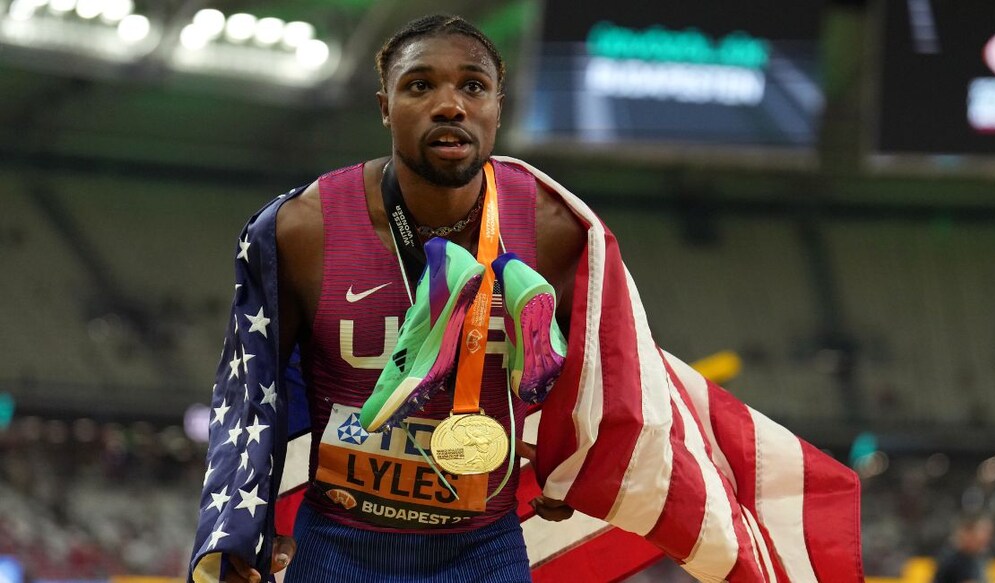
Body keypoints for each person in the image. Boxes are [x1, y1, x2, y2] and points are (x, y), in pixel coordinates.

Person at [190, 13, 864, 583]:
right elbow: (250, 392)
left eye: (471, 86)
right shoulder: (300, 229)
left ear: (495, 107)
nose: (449, 104)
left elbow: (604, 372)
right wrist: (239, 524)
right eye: (419, 85)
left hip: (482, 548)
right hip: (336, 543)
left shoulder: (560, 230)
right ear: (384, 105)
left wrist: (567, 461)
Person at [931, 514, 995, 583]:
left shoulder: (978, 558)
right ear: (968, 534)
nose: (986, 538)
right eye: (983, 532)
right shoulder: (953, 559)